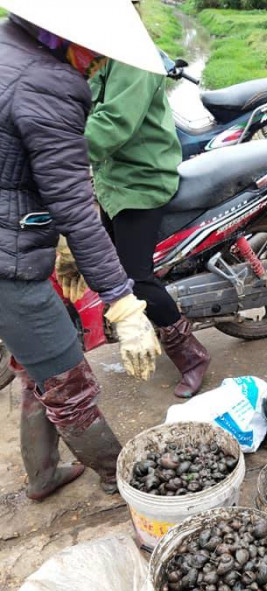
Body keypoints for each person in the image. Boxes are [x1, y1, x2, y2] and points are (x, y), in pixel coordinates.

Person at [0, 0, 164, 501]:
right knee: (69, 380)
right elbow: (75, 209)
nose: (98, 64)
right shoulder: (50, 85)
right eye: (96, 52)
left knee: (36, 366)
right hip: (9, 260)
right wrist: (124, 303)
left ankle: (44, 474)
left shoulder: (7, 44)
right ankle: (130, 486)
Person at [68, 0, 209, 400]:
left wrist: (60, 153)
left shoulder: (132, 54)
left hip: (142, 180)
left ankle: (192, 355)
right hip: (113, 179)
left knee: (134, 278)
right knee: (105, 266)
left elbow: (113, 124)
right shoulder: (103, 49)